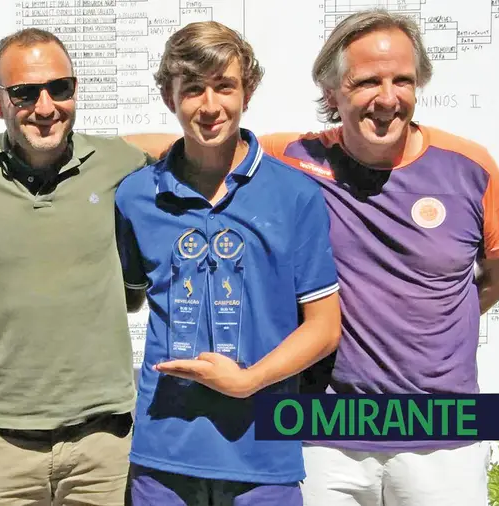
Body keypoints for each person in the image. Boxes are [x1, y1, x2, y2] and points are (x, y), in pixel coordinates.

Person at [0, 28, 171, 505]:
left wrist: (314, 151)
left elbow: (197, 153)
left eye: (59, 88)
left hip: (103, 444)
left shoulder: (118, 163)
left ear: (75, 90)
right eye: (24, 93)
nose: (45, 107)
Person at [259, 9, 499, 506]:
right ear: (331, 94)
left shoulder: (471, 167)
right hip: (323, 433)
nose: (388, 98)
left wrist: (449, 313)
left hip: (444, 436)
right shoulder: (291, 158)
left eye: (403, 80)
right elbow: (196, 151)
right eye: (367, 81)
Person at [115, 21, 342, 506]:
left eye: (225, 86)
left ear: (248, 90)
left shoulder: (295, 194)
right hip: (164, 454)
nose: (210, 105)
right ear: (168, 96)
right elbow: (128, 297)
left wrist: (248, 381)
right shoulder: (136, 195)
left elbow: (324, 328)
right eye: (193, 89)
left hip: (265, 453)